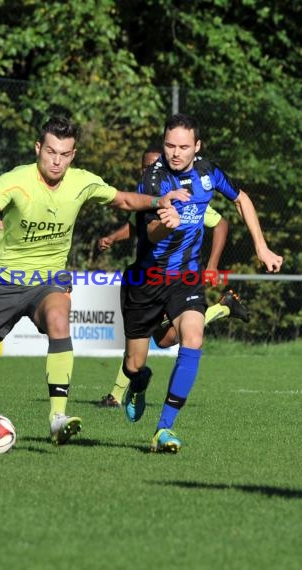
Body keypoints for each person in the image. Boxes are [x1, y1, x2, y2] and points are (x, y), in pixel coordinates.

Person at [0, 116, 181, 450]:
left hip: (50, 279)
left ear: (73, 155)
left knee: (58, 318)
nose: (57, 160)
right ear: (39, 148)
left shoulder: (81, 182)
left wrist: (158, 201)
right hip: (5, 284)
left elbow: (123, 200)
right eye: (51, 151)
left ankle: (57, 418)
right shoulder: (17, 180)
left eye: (65, 154)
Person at [120, 113, 283, 453]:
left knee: (193, 337)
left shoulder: (208, 172)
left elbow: (241, 199)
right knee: (136, 364)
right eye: (169, 146)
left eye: (182, 146)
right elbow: (149, 232)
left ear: (197, 146)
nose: (175, 153)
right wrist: (167, 222)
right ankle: (139, 381)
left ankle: (164, 428)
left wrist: (261, 246)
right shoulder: (153, 179)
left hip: (186, 277)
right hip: (146, 279)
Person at [98, 146, 248, 408]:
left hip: (177, 277)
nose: (150, 171)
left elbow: (221, 223)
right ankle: (222, 309)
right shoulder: (146, 193)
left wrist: (212, 265)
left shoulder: (184, 197)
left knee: (170, 337)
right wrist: (112, 237)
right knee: (163, 339)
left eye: (155, 165)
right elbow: (137, 226)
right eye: (145, 167)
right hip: (146, 277)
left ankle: (116, 395)